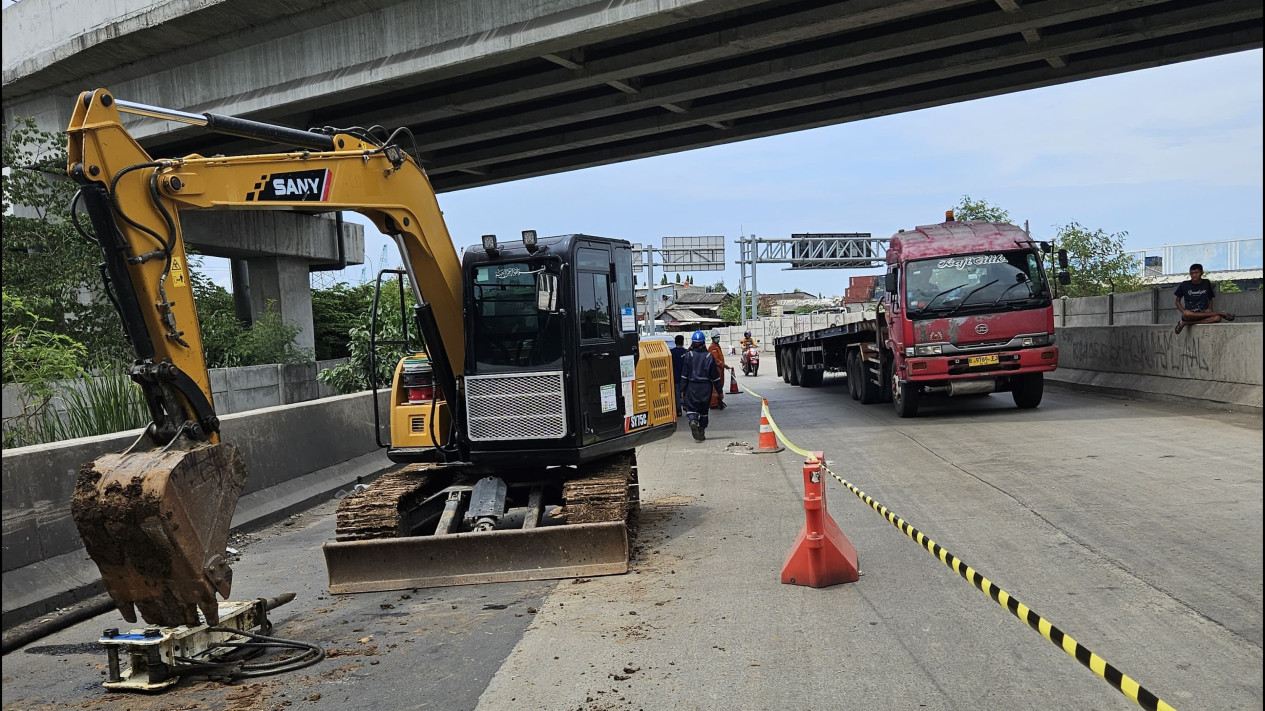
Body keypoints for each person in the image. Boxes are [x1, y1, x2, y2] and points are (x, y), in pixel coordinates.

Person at [679, 331, 723, 441]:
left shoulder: (689, 355)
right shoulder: (709, 356)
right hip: (706, 389)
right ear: (704, 342)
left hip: (692, 387)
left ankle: (693, 420)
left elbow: (684, 375)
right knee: (704, 411)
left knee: (692, 408)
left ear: (693, 342)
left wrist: (682, 390)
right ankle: (702, 430)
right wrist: (720, 392)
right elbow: (715, 377)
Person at [1174, 263, 1235, 333]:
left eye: (1196, 273)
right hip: (1190, 315)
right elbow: (1177, 301)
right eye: (1192, 273)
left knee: (1217, 318)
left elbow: (1210, 299)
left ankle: (1185, 323)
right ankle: (1221, 313)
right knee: (1187, 314)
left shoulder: (1206, 283)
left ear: (1201, 273)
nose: (1194, 275)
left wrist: (1209, 309)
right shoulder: (1184, 284)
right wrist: (1183, 311)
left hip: (1203, 314)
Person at [669, 334, 689, 416]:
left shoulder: (671, 353)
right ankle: (686, 406)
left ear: (675, 342)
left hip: (675, 377)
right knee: (686, 392)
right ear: (683, 342)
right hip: (685, 377)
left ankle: (678, 411)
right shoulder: (687, 352)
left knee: (677, 394)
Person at [708, 329, 727, 409]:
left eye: (718, 337)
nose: (718, 338)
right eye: (716, 337)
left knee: (720, 385)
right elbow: (716, 360)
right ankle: (713, 403)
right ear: (712, 338)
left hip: (720, 370)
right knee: (715, 387)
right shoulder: (712, 348)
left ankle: (718, 400)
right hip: (716, 370)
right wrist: (723, 365)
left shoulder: (717, 346)